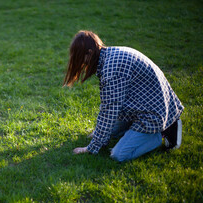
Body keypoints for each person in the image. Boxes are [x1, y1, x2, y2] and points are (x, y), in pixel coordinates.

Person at [64, 30, 184, 162]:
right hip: (142, 105)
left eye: (80, 58)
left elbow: (109, 111)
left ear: (89, 53)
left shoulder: (111, 70)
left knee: (118, 155)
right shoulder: (109, 55)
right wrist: (100, 135)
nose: (81, 64)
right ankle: (141, 131)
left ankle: (161, 132)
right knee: (109, 132)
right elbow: (111, 106)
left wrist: (91, 148)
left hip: (153, 114)